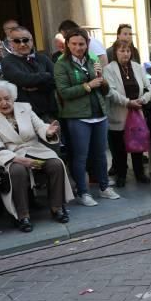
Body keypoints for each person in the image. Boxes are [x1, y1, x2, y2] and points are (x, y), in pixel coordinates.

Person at [0, 80, 73, 231]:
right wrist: (16, 159)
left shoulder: (25, 107)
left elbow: (39, 126)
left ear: (13, 97)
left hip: (34, 149)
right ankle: (22, 215)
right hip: (9, 154)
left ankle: (57, 207)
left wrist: (48, 131)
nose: (4, 103)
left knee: (56, 164)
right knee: (17, 170)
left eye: (7, 98)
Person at [54, 28, 120, 206]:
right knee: (80, 156)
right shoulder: (62, 64)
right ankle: (83, 192)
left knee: (100, 154)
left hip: (99, 113)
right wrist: (88, 85)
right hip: (77, 116)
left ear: (87, 44)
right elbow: (64, 92)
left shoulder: (93, 59)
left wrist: (101, 79)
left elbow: (104, 90)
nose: (78, 47)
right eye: (74, 44)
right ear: (68, 45)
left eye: (81, 44)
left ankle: (104, 187)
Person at [103, 41, 151, 187]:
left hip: (137, 112)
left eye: (128, 51)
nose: (125, 54)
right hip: (119, 113)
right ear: (115, 53)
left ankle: (139, 173)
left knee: (137, 144)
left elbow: (148, 87)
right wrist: (127, 102)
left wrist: (142, 100)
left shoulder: (138, 67)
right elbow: (110, 91)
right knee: (119, 148)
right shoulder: (109, 69)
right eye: (122, 51)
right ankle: (121, 174)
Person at [1, 27, 57, 121]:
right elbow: (23, 80)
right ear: (10, 43)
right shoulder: (7, 61)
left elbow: (57, 78)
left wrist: (39, 86)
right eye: (17, 41)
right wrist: (46, 75)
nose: (22, 44)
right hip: (26, 114)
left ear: (32, 41)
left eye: (26, 40)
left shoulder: (43, 58)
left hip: (50, 111)